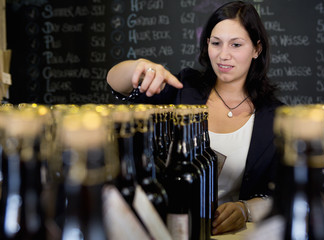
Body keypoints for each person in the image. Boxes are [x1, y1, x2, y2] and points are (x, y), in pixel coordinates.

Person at [107, 0, 283, 235]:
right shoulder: (184, 87)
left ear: (256, 49)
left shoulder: (275, 117)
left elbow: (282, 194)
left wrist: (245, 210)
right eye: (216, 43)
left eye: (236, 44)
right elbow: (117, 87)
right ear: (207, 44)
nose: (223, 55)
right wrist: (139, 67)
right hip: (169, 229)